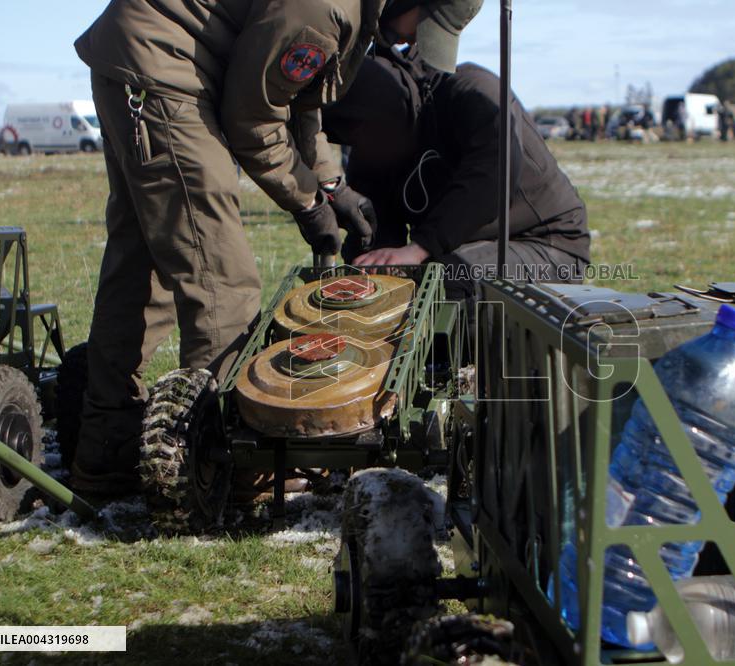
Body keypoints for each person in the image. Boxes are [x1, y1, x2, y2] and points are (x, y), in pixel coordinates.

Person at [70, 0, 481, 494]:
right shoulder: (327, 8)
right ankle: (236, 463)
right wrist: (307, 202)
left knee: (142, 265)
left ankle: (108, 447)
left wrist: (330, 185)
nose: (413, 43)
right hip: (165, 71)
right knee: (220, 276)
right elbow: (252, 121)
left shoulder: (344, 10)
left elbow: (298, 100)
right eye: (423, 27)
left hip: (140, 60)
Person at [321, 51, 591, 304]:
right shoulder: (371, 143)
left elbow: (491, 179)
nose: (367, 147)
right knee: (394, 288)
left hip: (546, 243)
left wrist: (420, 247)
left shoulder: (472, 91)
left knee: (442, 283)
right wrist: (367, 274)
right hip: (453, 249)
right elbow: (377, 233)